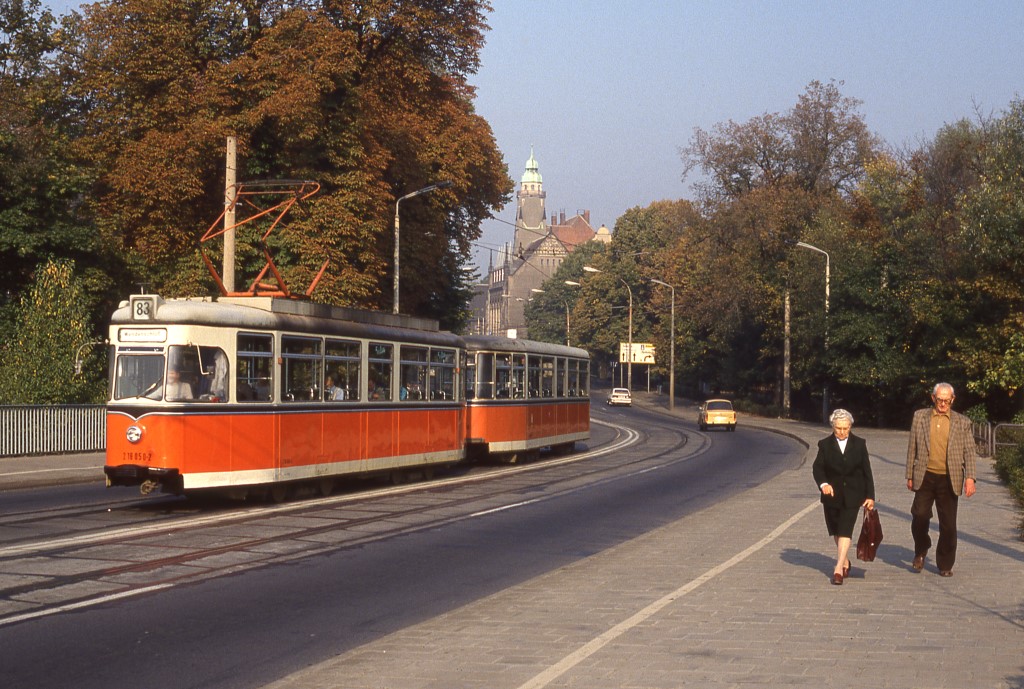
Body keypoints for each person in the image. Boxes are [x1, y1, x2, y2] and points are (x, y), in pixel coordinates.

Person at [906, 382, 977, 577]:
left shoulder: (962, 422)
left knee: (948, 525)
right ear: (933, 398)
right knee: (919, 515)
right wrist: (909, 474)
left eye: (947, 400)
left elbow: (969, 451)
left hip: (949, 478)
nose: (943, 404)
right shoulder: (920, 417)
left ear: (953, 400)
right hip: (925, 475)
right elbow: (912, 447)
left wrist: (970, 477)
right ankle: (921, 548)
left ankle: (945, 563)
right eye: (939, 400)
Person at [812, 408, 875, 585]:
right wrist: (824, 484)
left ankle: (838, 568)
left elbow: (867, 471)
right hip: (832, 495)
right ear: (833, 427)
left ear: (850, 427)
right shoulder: (824, 445)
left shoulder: (860, 444)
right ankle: (845, 560)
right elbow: (818, 468)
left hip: (854, 495)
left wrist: (870, 496)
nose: (842, 432)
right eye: (838, 428)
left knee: (845, 530)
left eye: (845, 428)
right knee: (836, 530)